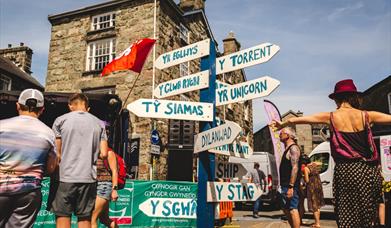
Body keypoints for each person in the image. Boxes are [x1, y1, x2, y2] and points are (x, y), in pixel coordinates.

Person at [271, 79, 391, 227]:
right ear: (353, 96)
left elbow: (305, 119)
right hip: (368, 172)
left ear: (336, 99)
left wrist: (285, 123)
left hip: (345, 171)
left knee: (347, 213)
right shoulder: (367, 115)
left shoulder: (331, 116)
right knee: (367, 216)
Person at [0, 89, 57, 227]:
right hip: (29, 192)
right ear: (42, 109)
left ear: (18, 105)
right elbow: (50, 168)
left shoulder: (1, 126)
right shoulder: (48, 133)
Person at [51, 93, 108, 228]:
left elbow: (56, 154)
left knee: (63, 217)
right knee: (85, 218)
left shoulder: (60, 120)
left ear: (70, 106)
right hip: (88, 177)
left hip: (64, 177)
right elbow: (104, 154)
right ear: (87, 108)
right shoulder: (99, 123)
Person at [91, 138, 119, 228]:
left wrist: (114, 190)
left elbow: (115, 171)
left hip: (104, 186)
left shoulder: (109, 153)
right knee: (104, 219)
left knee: (92, 218)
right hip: (93, 185)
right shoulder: (92, 153)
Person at [278, 127, 302, 228]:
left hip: (290, 186)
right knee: (286, 208)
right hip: (284, 185)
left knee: (292, 209)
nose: (279, 135)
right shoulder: (287, 149)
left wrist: (291, 186)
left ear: (288, 135)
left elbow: (295, 167)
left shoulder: (293, 148)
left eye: (282, 133)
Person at [302, 155, 325, 228]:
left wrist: (303, 176)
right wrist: (312, 163)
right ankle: (317, 222)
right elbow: (320, 163)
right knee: (317, 206)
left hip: (312, 188)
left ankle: (317, 224)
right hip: (318, 187)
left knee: (314, 206)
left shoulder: (306, 168)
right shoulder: (314, 166)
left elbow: (307, 180)